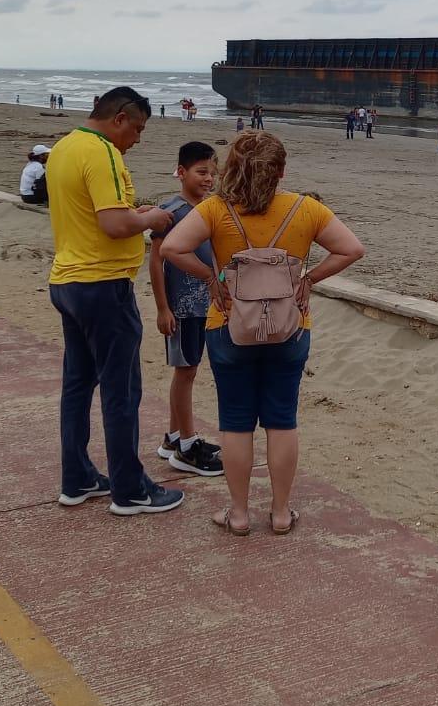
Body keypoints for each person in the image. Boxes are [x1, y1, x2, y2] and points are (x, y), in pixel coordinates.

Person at [161, 130, 365, 536]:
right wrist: (309, 279)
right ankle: (281, 513)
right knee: (282, 420)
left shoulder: (216, 209)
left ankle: (238, 514)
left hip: (229, 326)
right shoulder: (305, 209)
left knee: (235, 422)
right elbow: (351, 249)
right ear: (281, 171)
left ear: (231, 168)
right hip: (290, 328)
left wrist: (211, 279)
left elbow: (171, 248)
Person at [47, 86, 182, 516]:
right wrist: (152, 219)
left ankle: (78, 476)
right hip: (103, 285)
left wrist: (133, 213)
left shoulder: (64, 147)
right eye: (138, 128)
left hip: (69, 281)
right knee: (121, 391)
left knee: (77, 384)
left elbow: (97, 212)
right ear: (119, 118)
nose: (137, 139)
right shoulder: (103, 152)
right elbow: (114, 224)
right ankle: (131, 490)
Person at [148, 141, 224, 478]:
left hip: (203, 306)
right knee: (186, 371)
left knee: (189, 368)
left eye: (212, 173)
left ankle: (173, 438)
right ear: (181, 172)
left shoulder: (209, 208)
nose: (208, 179)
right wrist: (163, 308)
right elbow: (156, 261)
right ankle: (187, 446)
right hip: (182, 306)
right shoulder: (171, 211)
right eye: (201, 172)